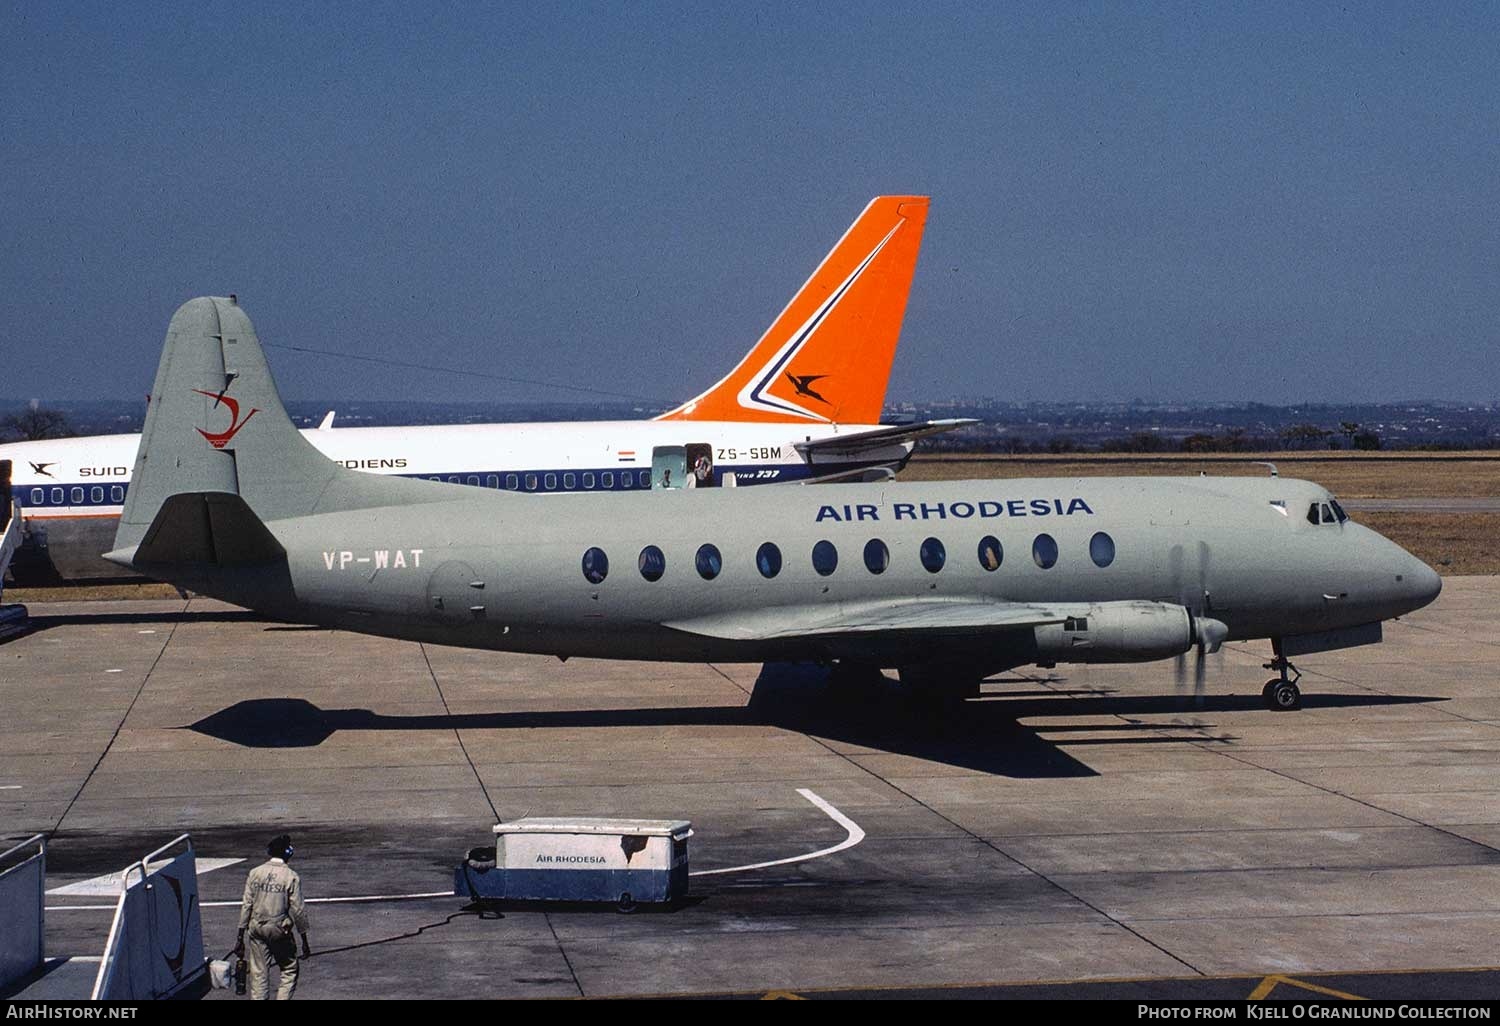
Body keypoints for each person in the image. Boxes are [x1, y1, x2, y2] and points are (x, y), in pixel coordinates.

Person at [235, 834, 311, 1000]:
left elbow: (247, 905)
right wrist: (304, 940)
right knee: (289, 969)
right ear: (288, 853)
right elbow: (298, 911)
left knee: (259, 973)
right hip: (278, 928)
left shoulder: (255, 873)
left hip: (256, 927)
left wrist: (240, 937)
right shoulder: (291, 876)